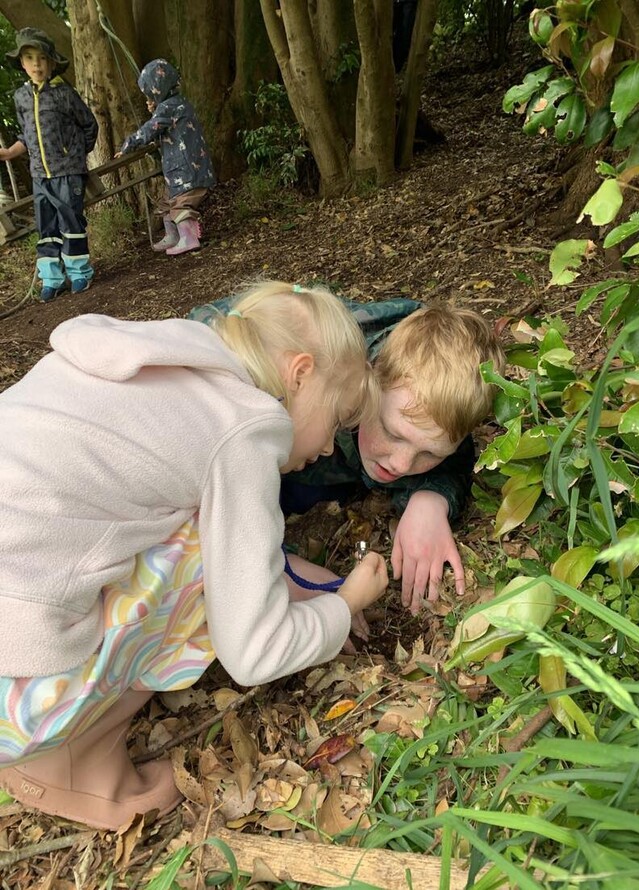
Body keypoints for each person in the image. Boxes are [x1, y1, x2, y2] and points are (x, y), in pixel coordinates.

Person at [0, 281, 388, 831]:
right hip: (12, 703)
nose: (329, 447)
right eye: (338, 418)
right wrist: (343, 606)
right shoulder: (245, 427)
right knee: (207, 551)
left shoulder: (168, 357)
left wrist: (287, 575)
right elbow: (253, 652)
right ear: (300, 374)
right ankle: (74, 765)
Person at [191, 297, 505, 616]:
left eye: (429, 453)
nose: (401, 464)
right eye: (393, 433)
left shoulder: (432, 407)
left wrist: (432, 500)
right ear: (370, 376)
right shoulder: (308, 366)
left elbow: (458, 460)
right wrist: (278, 565)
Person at [0, 28, 98, 302]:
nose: (36, 64)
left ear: (52, 62)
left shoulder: (64, 94)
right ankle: (52, 278)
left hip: (67, 172)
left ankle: (79, 273)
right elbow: (26, 136)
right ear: (22, 63)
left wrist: (74, 155)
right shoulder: (21, 97)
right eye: (30, 58)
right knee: (47, 228)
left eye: (42, 58)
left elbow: (89, 125)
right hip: (39, 175)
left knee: (71, 222)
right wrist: (9, 153)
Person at [115, 59, 215, 256]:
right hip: (188, 167)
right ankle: (176, 235)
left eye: (149, 93)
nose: (149, 98)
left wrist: (129, 144)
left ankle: (188, 238)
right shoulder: (179, 103)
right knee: (167, 201)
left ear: (157, 89)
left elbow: (151, 129)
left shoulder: (168, 107)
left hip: (185, 169)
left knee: (180, 202)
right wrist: (156, 111)